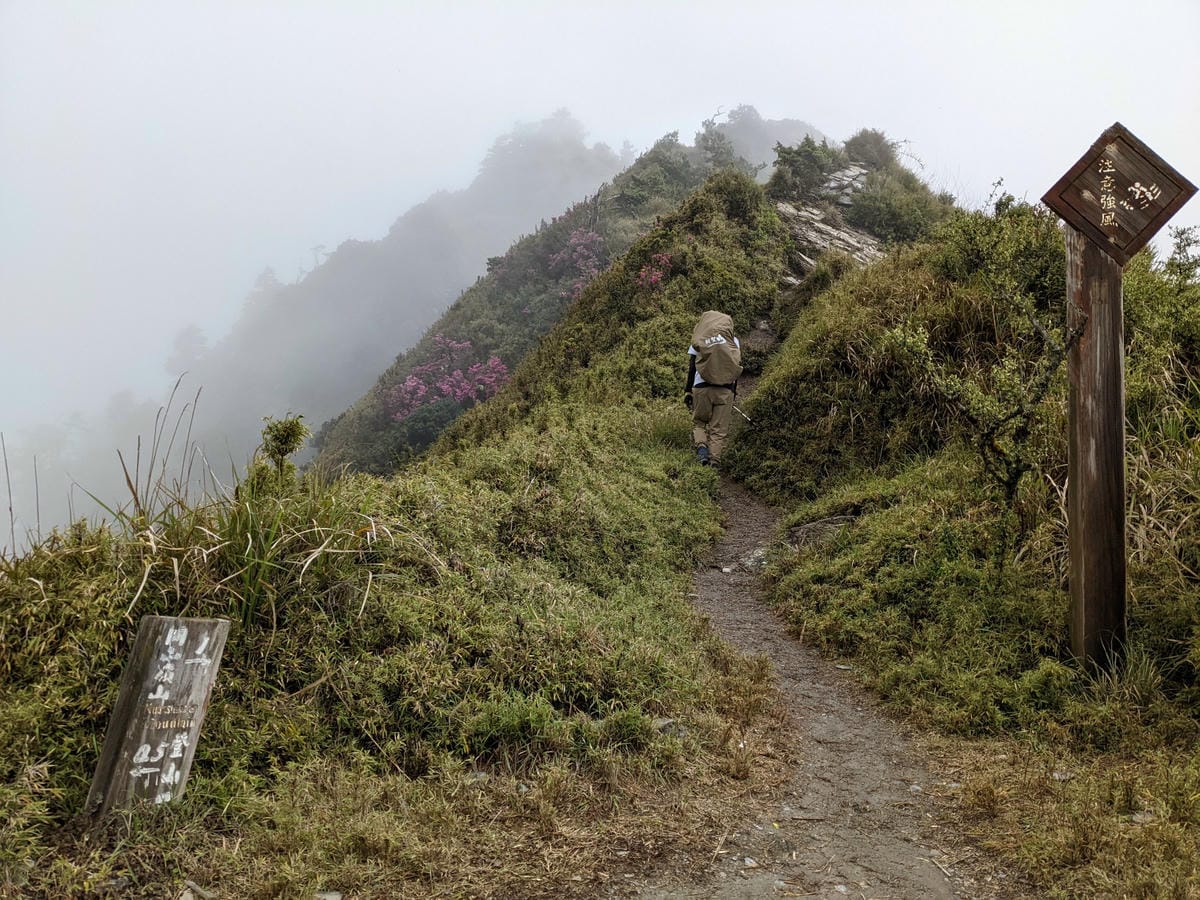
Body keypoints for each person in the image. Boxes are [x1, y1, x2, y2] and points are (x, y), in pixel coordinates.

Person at [684, 310, 742, 468]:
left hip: (701, 387)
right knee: (718, 429)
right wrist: (733, 392)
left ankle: (702, 449)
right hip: (725, 389)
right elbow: (734, 369)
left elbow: (692, 367)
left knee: (699, 422)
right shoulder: (733, 341)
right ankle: (714, 462)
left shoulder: (700, 339)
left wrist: (688, 391)